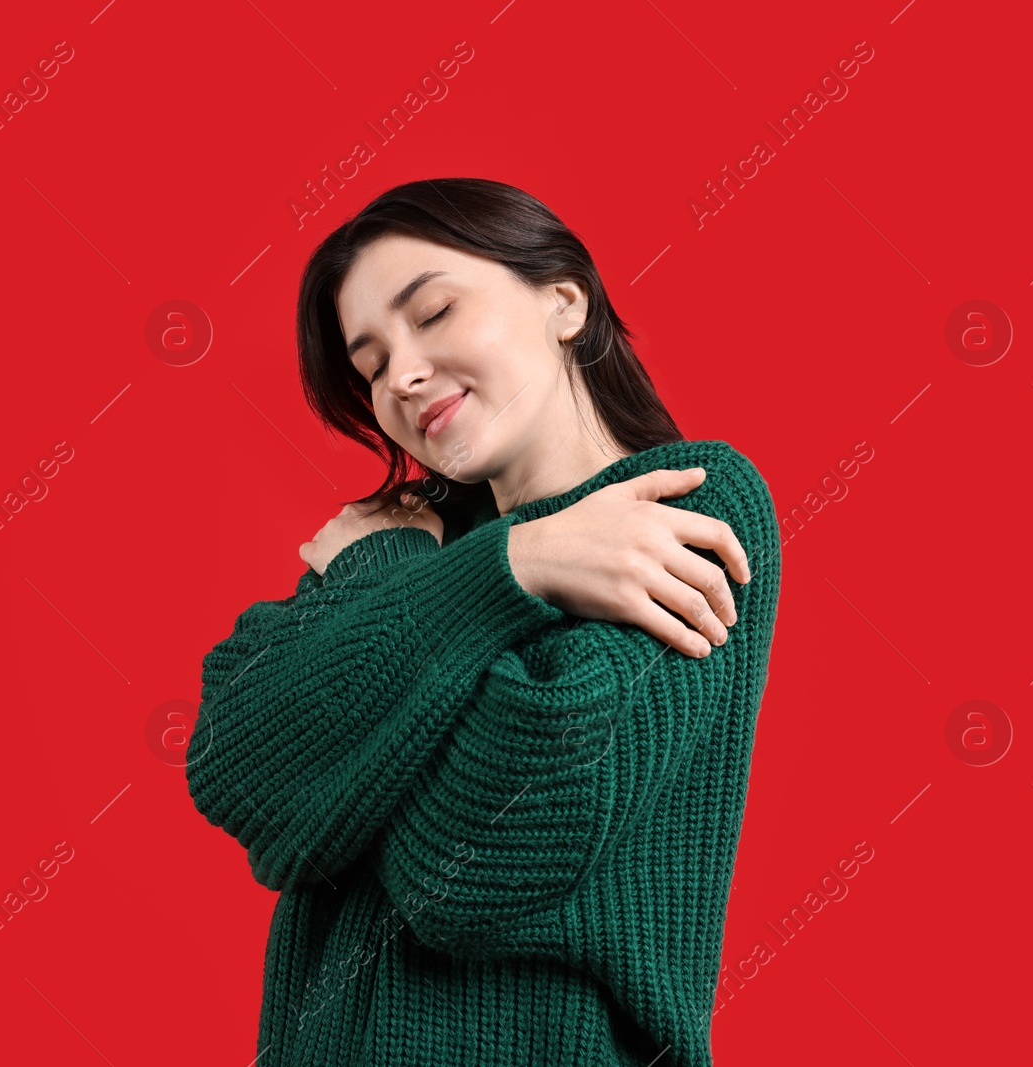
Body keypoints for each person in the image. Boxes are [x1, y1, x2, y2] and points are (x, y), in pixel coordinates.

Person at [187, 177, 782, 1066]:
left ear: (564, 300)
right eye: (372, 363)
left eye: (431, 313)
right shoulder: (401, 545)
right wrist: (515, 565)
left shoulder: (692, 506)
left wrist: (350, 770)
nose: (403, 377)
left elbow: (472, 868)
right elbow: (235, 763)